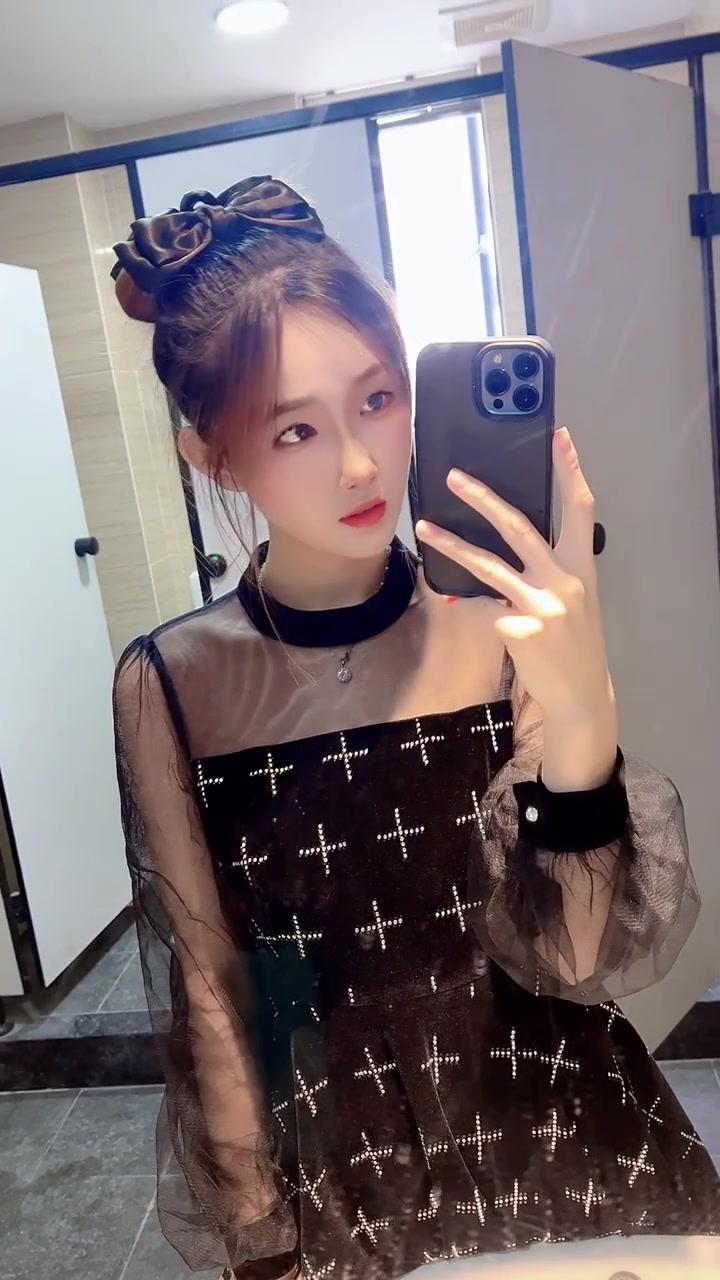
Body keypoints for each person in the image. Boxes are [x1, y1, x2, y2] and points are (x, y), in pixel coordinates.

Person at [110, 176, 719, 1280]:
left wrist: (584, 705)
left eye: (379, 398)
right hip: (344, 1173)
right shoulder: (174, 684)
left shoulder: (499, 627)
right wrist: (260, 1243)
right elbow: (214, 993)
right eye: (296, 427)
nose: (359, 462)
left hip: (563, 1138)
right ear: (214, 458)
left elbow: (577, 956)